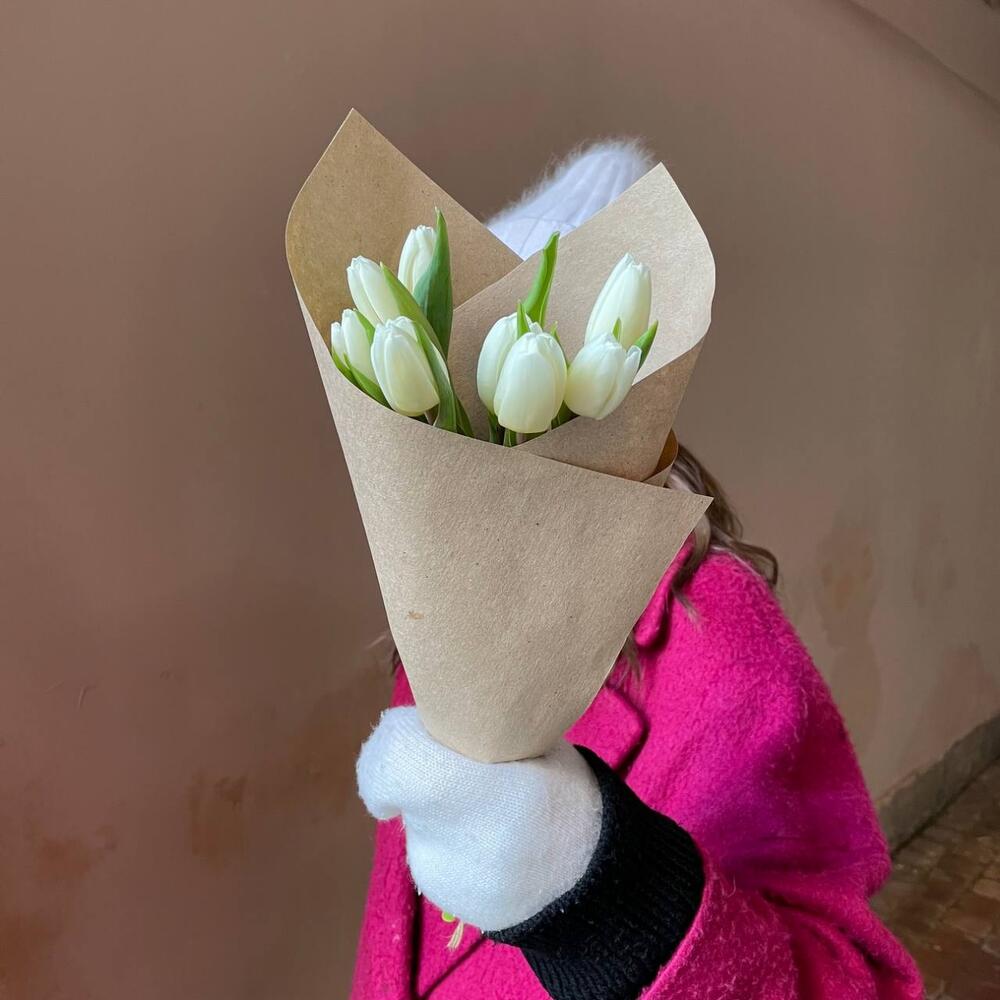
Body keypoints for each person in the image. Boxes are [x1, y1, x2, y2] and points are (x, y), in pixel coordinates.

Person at [349, 145, 923, 999]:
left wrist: (605, 901)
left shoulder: (718, 631)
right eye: (443, 418)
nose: (475, 462)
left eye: (492, 415)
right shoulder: (441, 619)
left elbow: (852, 981)